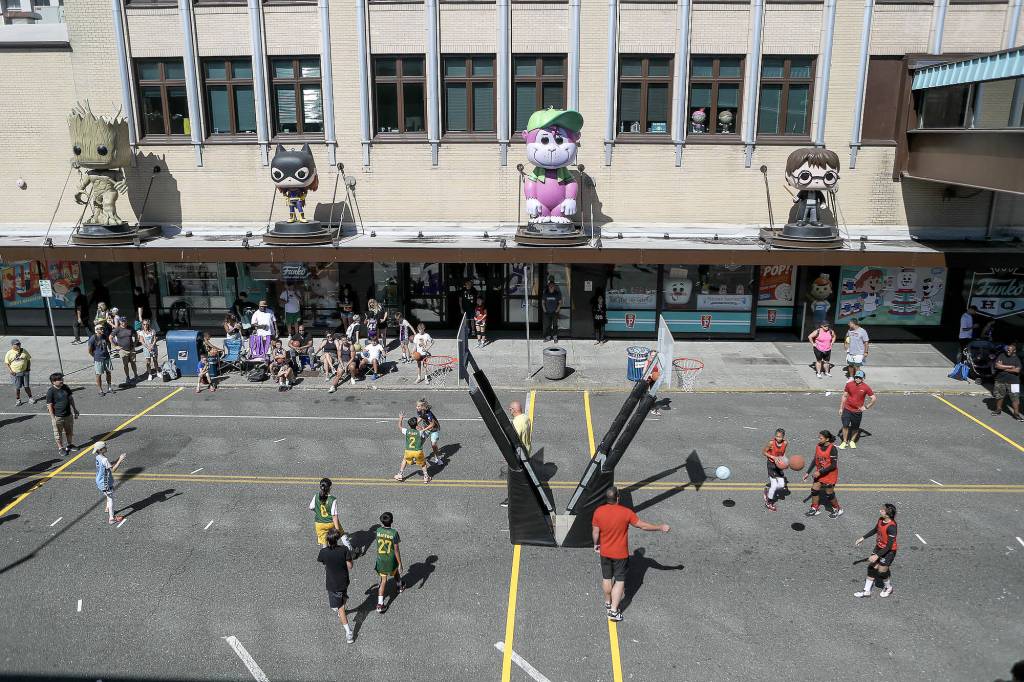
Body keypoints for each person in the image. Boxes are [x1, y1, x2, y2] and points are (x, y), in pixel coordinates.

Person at [591, 486, 670, 622]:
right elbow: (642, 526)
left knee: (606, 578)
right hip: (620, 554)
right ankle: (614, 611)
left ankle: (607, 602)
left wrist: (595, 544)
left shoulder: (598, 511)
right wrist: (660, 527)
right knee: (620, 580)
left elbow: (595, 532)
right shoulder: (626, 512)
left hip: (604, 551)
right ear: (617, 498)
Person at [317, 528, 355, 643]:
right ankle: (342, 601)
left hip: (332, 583)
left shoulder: (324, 552)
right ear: (337, 539)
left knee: (339, 608)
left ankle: (348, 633)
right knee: (342, 598)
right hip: (344, 581)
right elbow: (350, 566)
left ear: (327, 540)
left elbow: (322, 561)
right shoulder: (344, 550)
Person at [854, 503, 898, 598]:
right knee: (872, 567)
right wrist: (863, 537)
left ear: (887, 514)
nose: (880, 510)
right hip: (879, 547)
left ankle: (888, 588)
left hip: (889, 551)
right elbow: (875, 530)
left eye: (882, 510)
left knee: (882, 572)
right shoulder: (881, 519)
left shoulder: (892, 527)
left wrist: (877, 556)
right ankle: (866, 591)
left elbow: (889, 546)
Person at [802, 430, 842, 519]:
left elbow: (833, 465)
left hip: (830, 474)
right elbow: (815, 460)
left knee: (829, 493)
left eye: (821, 438)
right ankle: (814, 508)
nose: (819, 439)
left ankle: (838, 509)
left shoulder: (832, 449)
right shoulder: (818, 446)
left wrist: (820, 472)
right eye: (818, 437)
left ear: (827, 439)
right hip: (819, 473)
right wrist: (807, 472)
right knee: (814, 489)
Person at [309, 477, 353, 549]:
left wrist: (318, 511)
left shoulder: (316, 496)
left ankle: (326, 556)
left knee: (324, 542)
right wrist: (337, 530)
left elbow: (311, 507)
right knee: (342, 535)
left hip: (319, 524)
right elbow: (334, 515)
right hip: (330, 523)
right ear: (330, 487)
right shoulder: (332, 499)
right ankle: (351, 552)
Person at [374, 512, 404, 613]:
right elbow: (396, 550)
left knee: (383, 581)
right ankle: (399, 586)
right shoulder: (394, 533)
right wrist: (400, 563)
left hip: (381, 559)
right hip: (390, 559)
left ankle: (380, 604)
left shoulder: (378, 530)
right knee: (395, 571)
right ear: (392, 521)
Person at [840, 369, 876, 448]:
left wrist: (866, 407)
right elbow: (844, 396)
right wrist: (841, 408)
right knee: (845, 425)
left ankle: (852, 441)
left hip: (857, 411)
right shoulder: (849, 384)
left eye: (860, 377)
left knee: (855, 428)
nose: (857, 379)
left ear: (863, 378)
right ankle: (845, 441)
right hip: (847, 409)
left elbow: (873, 398)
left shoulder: (866, 387)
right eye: (856, 377)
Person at [45, 372, 79, 457]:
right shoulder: (51, 391)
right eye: (59, 379)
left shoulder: (66, 387)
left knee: (69, 431)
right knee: (58, 433)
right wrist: (53, 418)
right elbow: (49, 405)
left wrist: (75, 409)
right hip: (58, 417)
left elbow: (70, 398)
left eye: (62, 379)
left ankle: (70, 445)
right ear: (53, 382)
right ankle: (60, 448)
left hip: (68, 415)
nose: (61, 381)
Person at [94, 441, 126, 525]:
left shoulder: (98, 457)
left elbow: (108, 465)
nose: (106, 448)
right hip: (105, 483)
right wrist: (120, 460)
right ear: (101, 450)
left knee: (107, 495)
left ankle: (107, 508)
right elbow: (112, 470)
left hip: (99, 481)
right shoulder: (104, 459)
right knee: (111, 498)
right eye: (105, 447)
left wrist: (116, 460)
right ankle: (111, 518)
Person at [395, 413, 432, 483]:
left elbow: (400, 426)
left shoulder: (407, 431)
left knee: (405, 460)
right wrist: (427, 426)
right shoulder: (420, 432)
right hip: (418, 451)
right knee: (423, 463)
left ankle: (400, 474)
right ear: (416, 425)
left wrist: (401, 418)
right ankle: (426, 477)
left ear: (409, 425)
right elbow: (428, 429)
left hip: (408, 451)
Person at [992, 341, 1023, 422]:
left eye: (1009, 350)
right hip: (1000, 380)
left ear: (1014, 351)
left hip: (1014, 382)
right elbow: (997, 365)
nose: (1007, 351)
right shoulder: (1001, 355)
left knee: (1015, 398)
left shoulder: (1017, 359)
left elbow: (1017, 370)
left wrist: (1003, 368)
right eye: (1007, 349)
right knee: (999, 396)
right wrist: (1010, 367)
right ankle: (998, 410)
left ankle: (1016, 413)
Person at [762, 428, 788, 512]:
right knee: (774, 485)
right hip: (771, 464)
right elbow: (764, 452)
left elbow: (783, 454)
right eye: (777, 436)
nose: (778, 438)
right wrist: (773, 457)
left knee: (781, 485)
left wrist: (785, 463)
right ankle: (769, 502)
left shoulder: (785, 443)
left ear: (783, 437)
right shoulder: (771, 443)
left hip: (779, 465)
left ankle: (768, 489)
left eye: (780, 437)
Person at [108, 318, 139, 386]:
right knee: (125, 365)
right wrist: (115, 346)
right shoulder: (117, 329)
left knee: (133, 363)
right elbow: (110, 337)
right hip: (123, 350)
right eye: (122, 322)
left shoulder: (130, 328)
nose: (124, 323)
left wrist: (135, 343)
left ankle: (136, 375)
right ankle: (127, 377)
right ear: (120, 322)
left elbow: (136, 334)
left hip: (131, 349)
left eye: (125, 321)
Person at [5, 339, 37, 406]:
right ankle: (18, 399)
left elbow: (28, 360)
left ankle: (30, 398)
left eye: (19, 344)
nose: (18, 345)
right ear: (13, 345)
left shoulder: (24, 351)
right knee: (17, 387)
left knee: (27, 386)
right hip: (15, 373)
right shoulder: (9, 353)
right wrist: (11, 371)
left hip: (25, 372)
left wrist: (28, 368)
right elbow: (7, 363)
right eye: (17, 344)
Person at [87, 323, 115, 396]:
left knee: (108, 372)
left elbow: (108, 343)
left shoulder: (104, 336)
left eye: (103, 328)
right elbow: (89, 350)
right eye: (101, 329)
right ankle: (100, 389)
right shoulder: (93, 338)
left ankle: (109, 387)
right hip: (98, 359)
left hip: (107, 357)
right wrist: (95, 356)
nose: (103, 330)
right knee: (98, 374)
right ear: (96, 330)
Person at [416, 398, 442, 465]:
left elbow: (432, 424)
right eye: (417, 406)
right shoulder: (419, 411)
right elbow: (421, 417)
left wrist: (423, 430)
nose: (416, 407)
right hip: (426, 428)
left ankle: (438, 458)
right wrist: (415, 424)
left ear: (423, 407)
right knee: (420, 443)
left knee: (433, 445)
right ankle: (417, 456)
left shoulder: (429, 414)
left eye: (418, 406)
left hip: (434, 429)